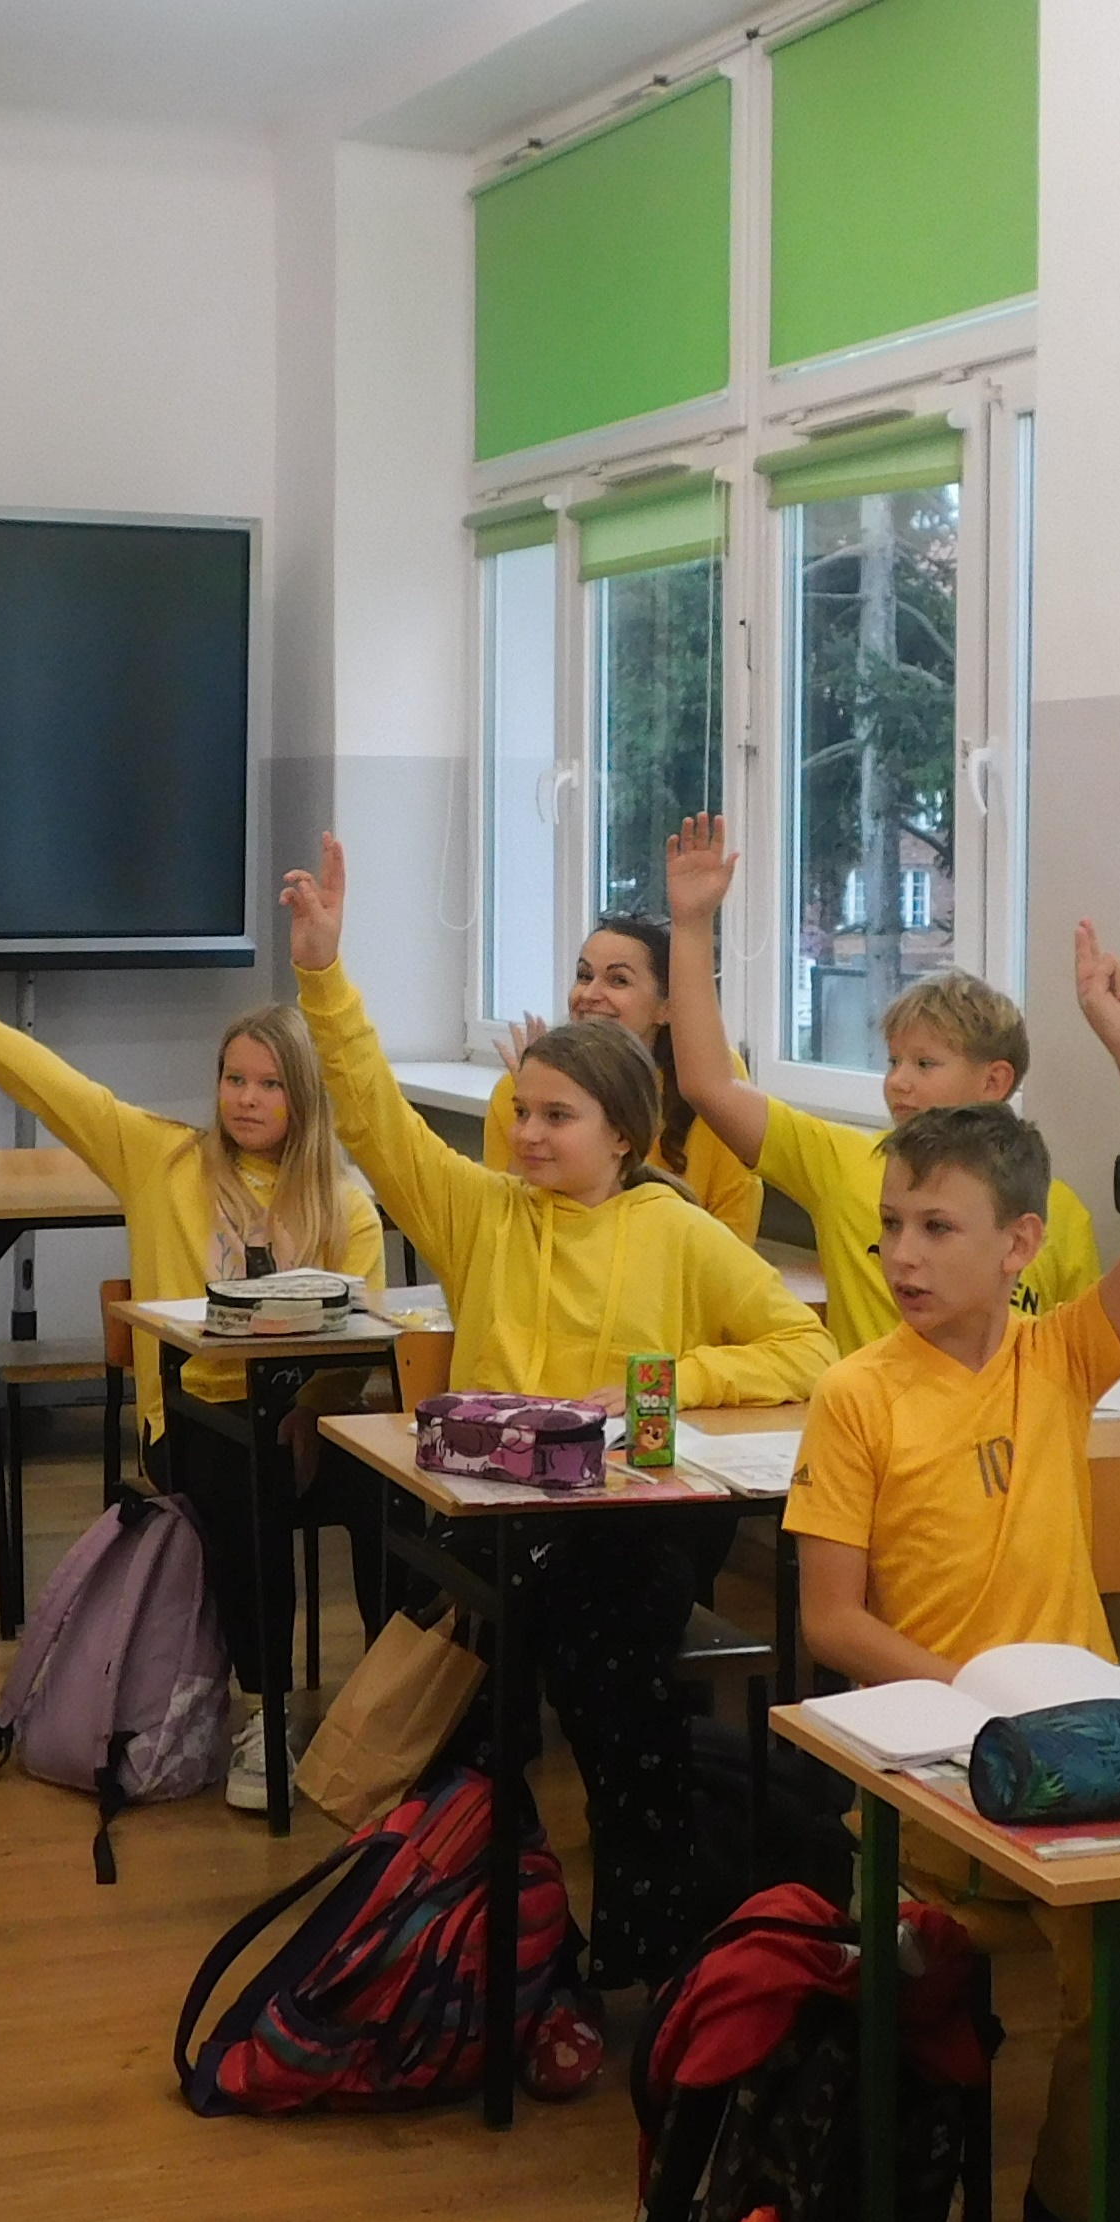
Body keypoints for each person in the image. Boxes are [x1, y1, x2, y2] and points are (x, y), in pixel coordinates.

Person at [282, 834, 830, 1985]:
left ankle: (638, 1938)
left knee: (611, 1681)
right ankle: (500, 1930)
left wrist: (661, 1385)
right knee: (526, 1692)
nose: (528, 1133)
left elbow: (805, 1345)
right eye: (523, 1110)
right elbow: (372, 1113)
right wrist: (324, 973)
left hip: (626, 1518)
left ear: (622, 1131)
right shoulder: (487, 1211)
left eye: (557, 1115)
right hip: (492, 1511)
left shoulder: (673, 1227)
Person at [783, 921, 1120, 2222]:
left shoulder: (1057, 1356)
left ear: (1019, 1245)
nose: (903, 1253)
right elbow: (829, 1618)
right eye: (891, 1226)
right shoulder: (858, 1392)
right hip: (934, 1778)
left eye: (938, 1228)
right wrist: (967, 1697)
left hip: (1078, 1759)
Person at [0, 917, 387, 1810]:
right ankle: (265, 1714)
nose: (245, 1098)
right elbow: (51, 1086)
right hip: (191, 1421)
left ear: (305, 1097)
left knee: (402, 1493)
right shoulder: (165, 1158)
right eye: (233, 1078)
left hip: (304, 1419)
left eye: (269, 1083)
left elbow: (361, 1339)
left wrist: (314, 1408)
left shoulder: (343, 1202)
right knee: (247, 1481)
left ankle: (395, 1714)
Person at [661, 814, 1097, 1353]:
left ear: (994, 1080)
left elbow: (1080, 1359)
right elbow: (710, 1085)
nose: (898, 1083)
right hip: (874, 1405)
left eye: (925, 1064)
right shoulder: (844, 1164)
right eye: (893, 1062)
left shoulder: (1059, 1212)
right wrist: (691, 925)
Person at [479, 912, 763, 1244]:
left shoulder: (712, 1081)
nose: (589, 994)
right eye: (584, 976)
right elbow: (507, 1225)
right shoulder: (519, 1089)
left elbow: (735, 1225)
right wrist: (539, 1104)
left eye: (618, 981)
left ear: (668, 1007)